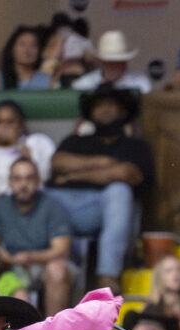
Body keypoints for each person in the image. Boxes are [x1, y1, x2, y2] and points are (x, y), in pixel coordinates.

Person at [47, 85, 152, 293]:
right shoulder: (76, 140)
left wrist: (74, 174)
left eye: (111, 105)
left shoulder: (135, 146)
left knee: (119, 191)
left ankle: (107, 276)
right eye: (99, 105)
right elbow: (57, 162)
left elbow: (125, 173)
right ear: (91, 112)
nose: (104, 110)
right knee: (40, 194)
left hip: (103, 210)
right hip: (64, 207)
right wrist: (105, 163)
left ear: (123, 111)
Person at [0, 158, 72, 318]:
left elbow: (61, 250)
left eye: (29, 178)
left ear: (37, 181)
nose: (23, 185)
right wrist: (7, 258)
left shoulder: (52, 206)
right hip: (8, 267)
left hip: (42, 266)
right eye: (18, 179)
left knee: (57, 269)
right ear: (10, 181)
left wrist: (31, 257)